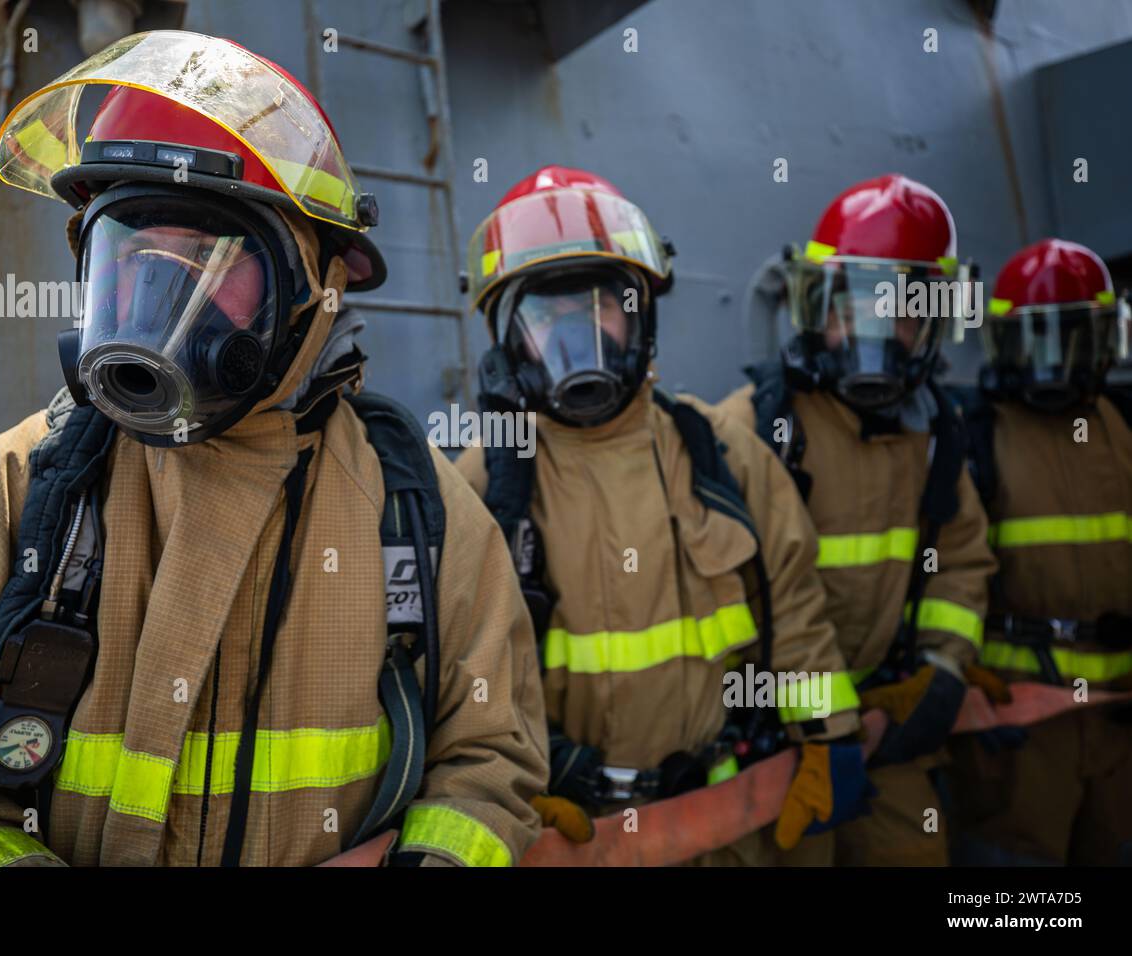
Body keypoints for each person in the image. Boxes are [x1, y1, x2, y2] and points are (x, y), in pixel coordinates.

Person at [0, 30, 547, 868]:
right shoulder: (6, 499)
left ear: (313, 289)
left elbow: (493, 767)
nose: (158, 296)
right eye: (133, 253)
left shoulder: (424, 515)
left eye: (210, 258)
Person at [456, 165, 870, 865]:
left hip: (732, 816)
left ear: (642, 311)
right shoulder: (484, 484)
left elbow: (795, 611)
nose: (578, 337)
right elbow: (462, 682)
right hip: (576, 836)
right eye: (548, 314)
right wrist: (506, 790)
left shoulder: (721, 452)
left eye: (601, 307)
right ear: (509, 339)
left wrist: (830, 735)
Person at [718, 173, 1002, 866]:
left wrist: (942, 666)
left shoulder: (936, 432)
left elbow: (960, 561)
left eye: (899, 312)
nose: (872, 334)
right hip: (773, 742)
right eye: (854, 308)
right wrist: (820, 726)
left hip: (885, 725)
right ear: (818, 309)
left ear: (932, 322)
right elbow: (737, 600)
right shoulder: (750, 429)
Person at [945, 238, 1132, 865]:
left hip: (1117, 738)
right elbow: (948, 574)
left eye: (1073, 339)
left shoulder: (1122, 428)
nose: (1053, 364)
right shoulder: (975, 437)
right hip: (1017, 738)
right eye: (1034, 341)